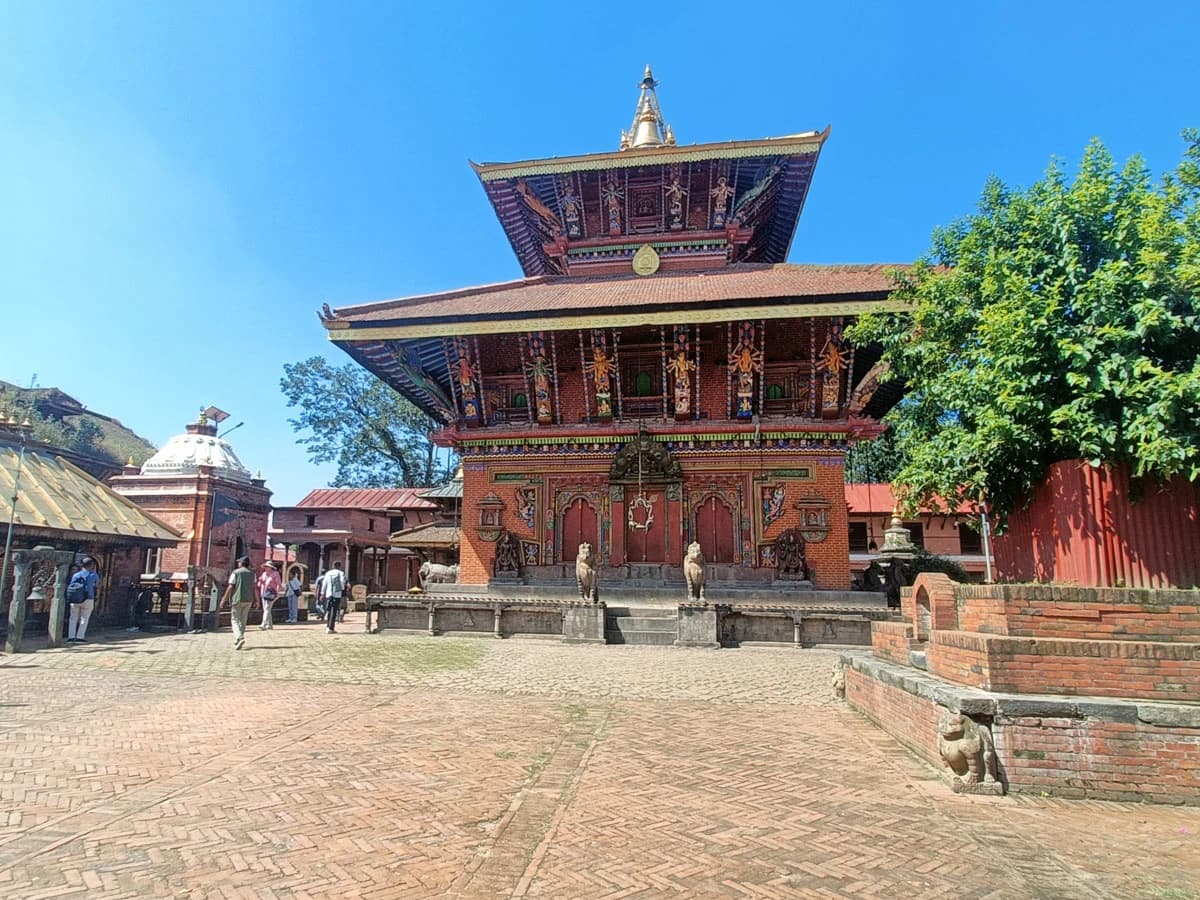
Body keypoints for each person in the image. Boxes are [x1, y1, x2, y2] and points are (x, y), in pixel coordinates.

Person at [220, 556, 255, 650]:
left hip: (237, 598)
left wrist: (224, 599)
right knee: (243, 620)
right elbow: (254, 588)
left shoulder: (236, 572)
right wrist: (257, 600)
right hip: (248, 599)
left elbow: (231, 586)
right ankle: (239, 638)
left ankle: (239, 637)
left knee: (235, 620)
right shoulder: (252, 574)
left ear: (241, 563)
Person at [67, 557, 100, 643]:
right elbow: (97, 585)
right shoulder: (93, 575)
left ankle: (70, 637)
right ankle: (80, 637)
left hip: (75, 599)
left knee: (73, 618)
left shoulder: (76, 575)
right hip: (88, 598)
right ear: (92, 565)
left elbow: (71, 586)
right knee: (84, 618)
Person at [316, 561, 347, 634]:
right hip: (337, 594)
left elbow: (324, 584)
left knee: (329, 610)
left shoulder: (328, 573)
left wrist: (322, 593)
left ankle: (328, 626)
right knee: (334, 610)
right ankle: (331, 627)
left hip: (329, 594)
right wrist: (342, 589)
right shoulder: (341, 573)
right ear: (339, 566)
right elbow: (342, 583)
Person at [257, 561, 282, 630]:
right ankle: (269, 624)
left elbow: (278, 584)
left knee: (267, 608)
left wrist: (277, 593)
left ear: (271, 568)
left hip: (271, 593)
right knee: (266, 609)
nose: (266, 568)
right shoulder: (264, 574)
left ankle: (263, 623)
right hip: (263, 593)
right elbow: (259, 584)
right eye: (265, 566)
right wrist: (260, 581)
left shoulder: (275, 574)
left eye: (267, 567)